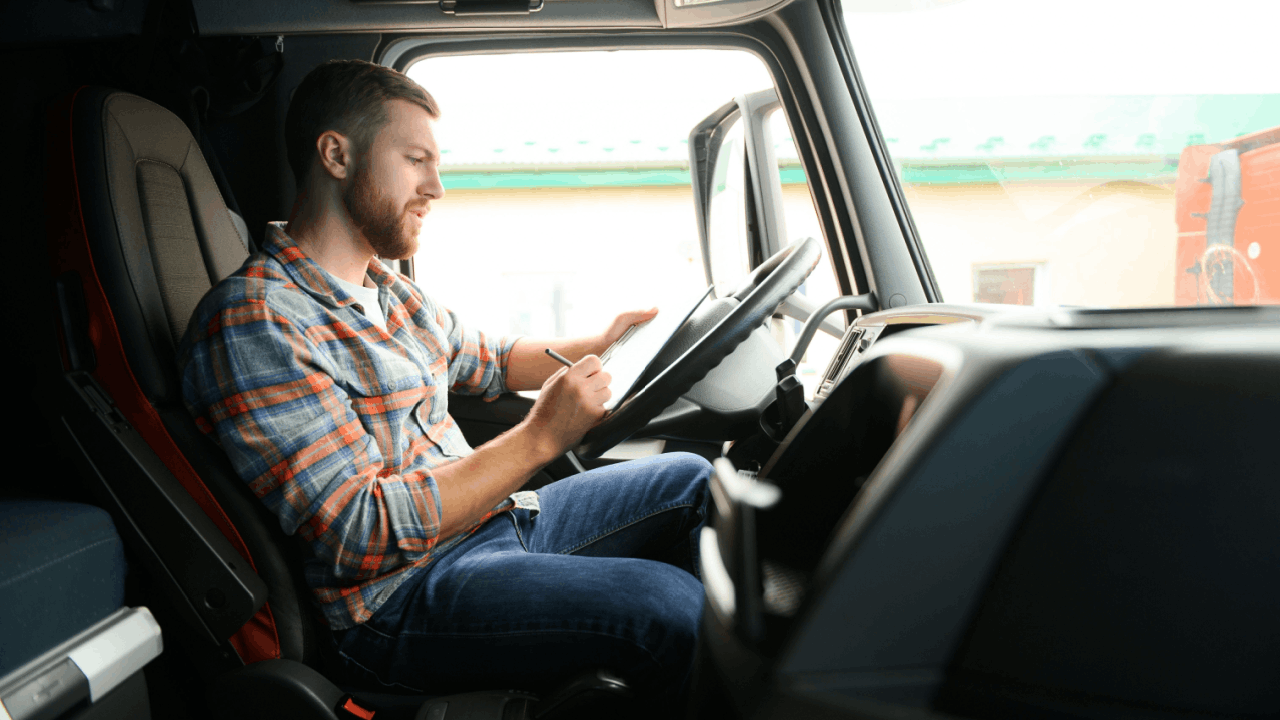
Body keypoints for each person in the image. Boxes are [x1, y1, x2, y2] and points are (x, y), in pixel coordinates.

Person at [178, 59, 711, 704]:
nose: (436, 186)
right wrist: (541, 438)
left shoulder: (391, 292)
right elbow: (360, 532)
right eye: (415, 160)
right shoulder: (257, 321)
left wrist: (603, 345)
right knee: (673, 607)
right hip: (398, 601)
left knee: (695, 479)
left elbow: (493, 358)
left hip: (492, 524)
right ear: (336, 155)